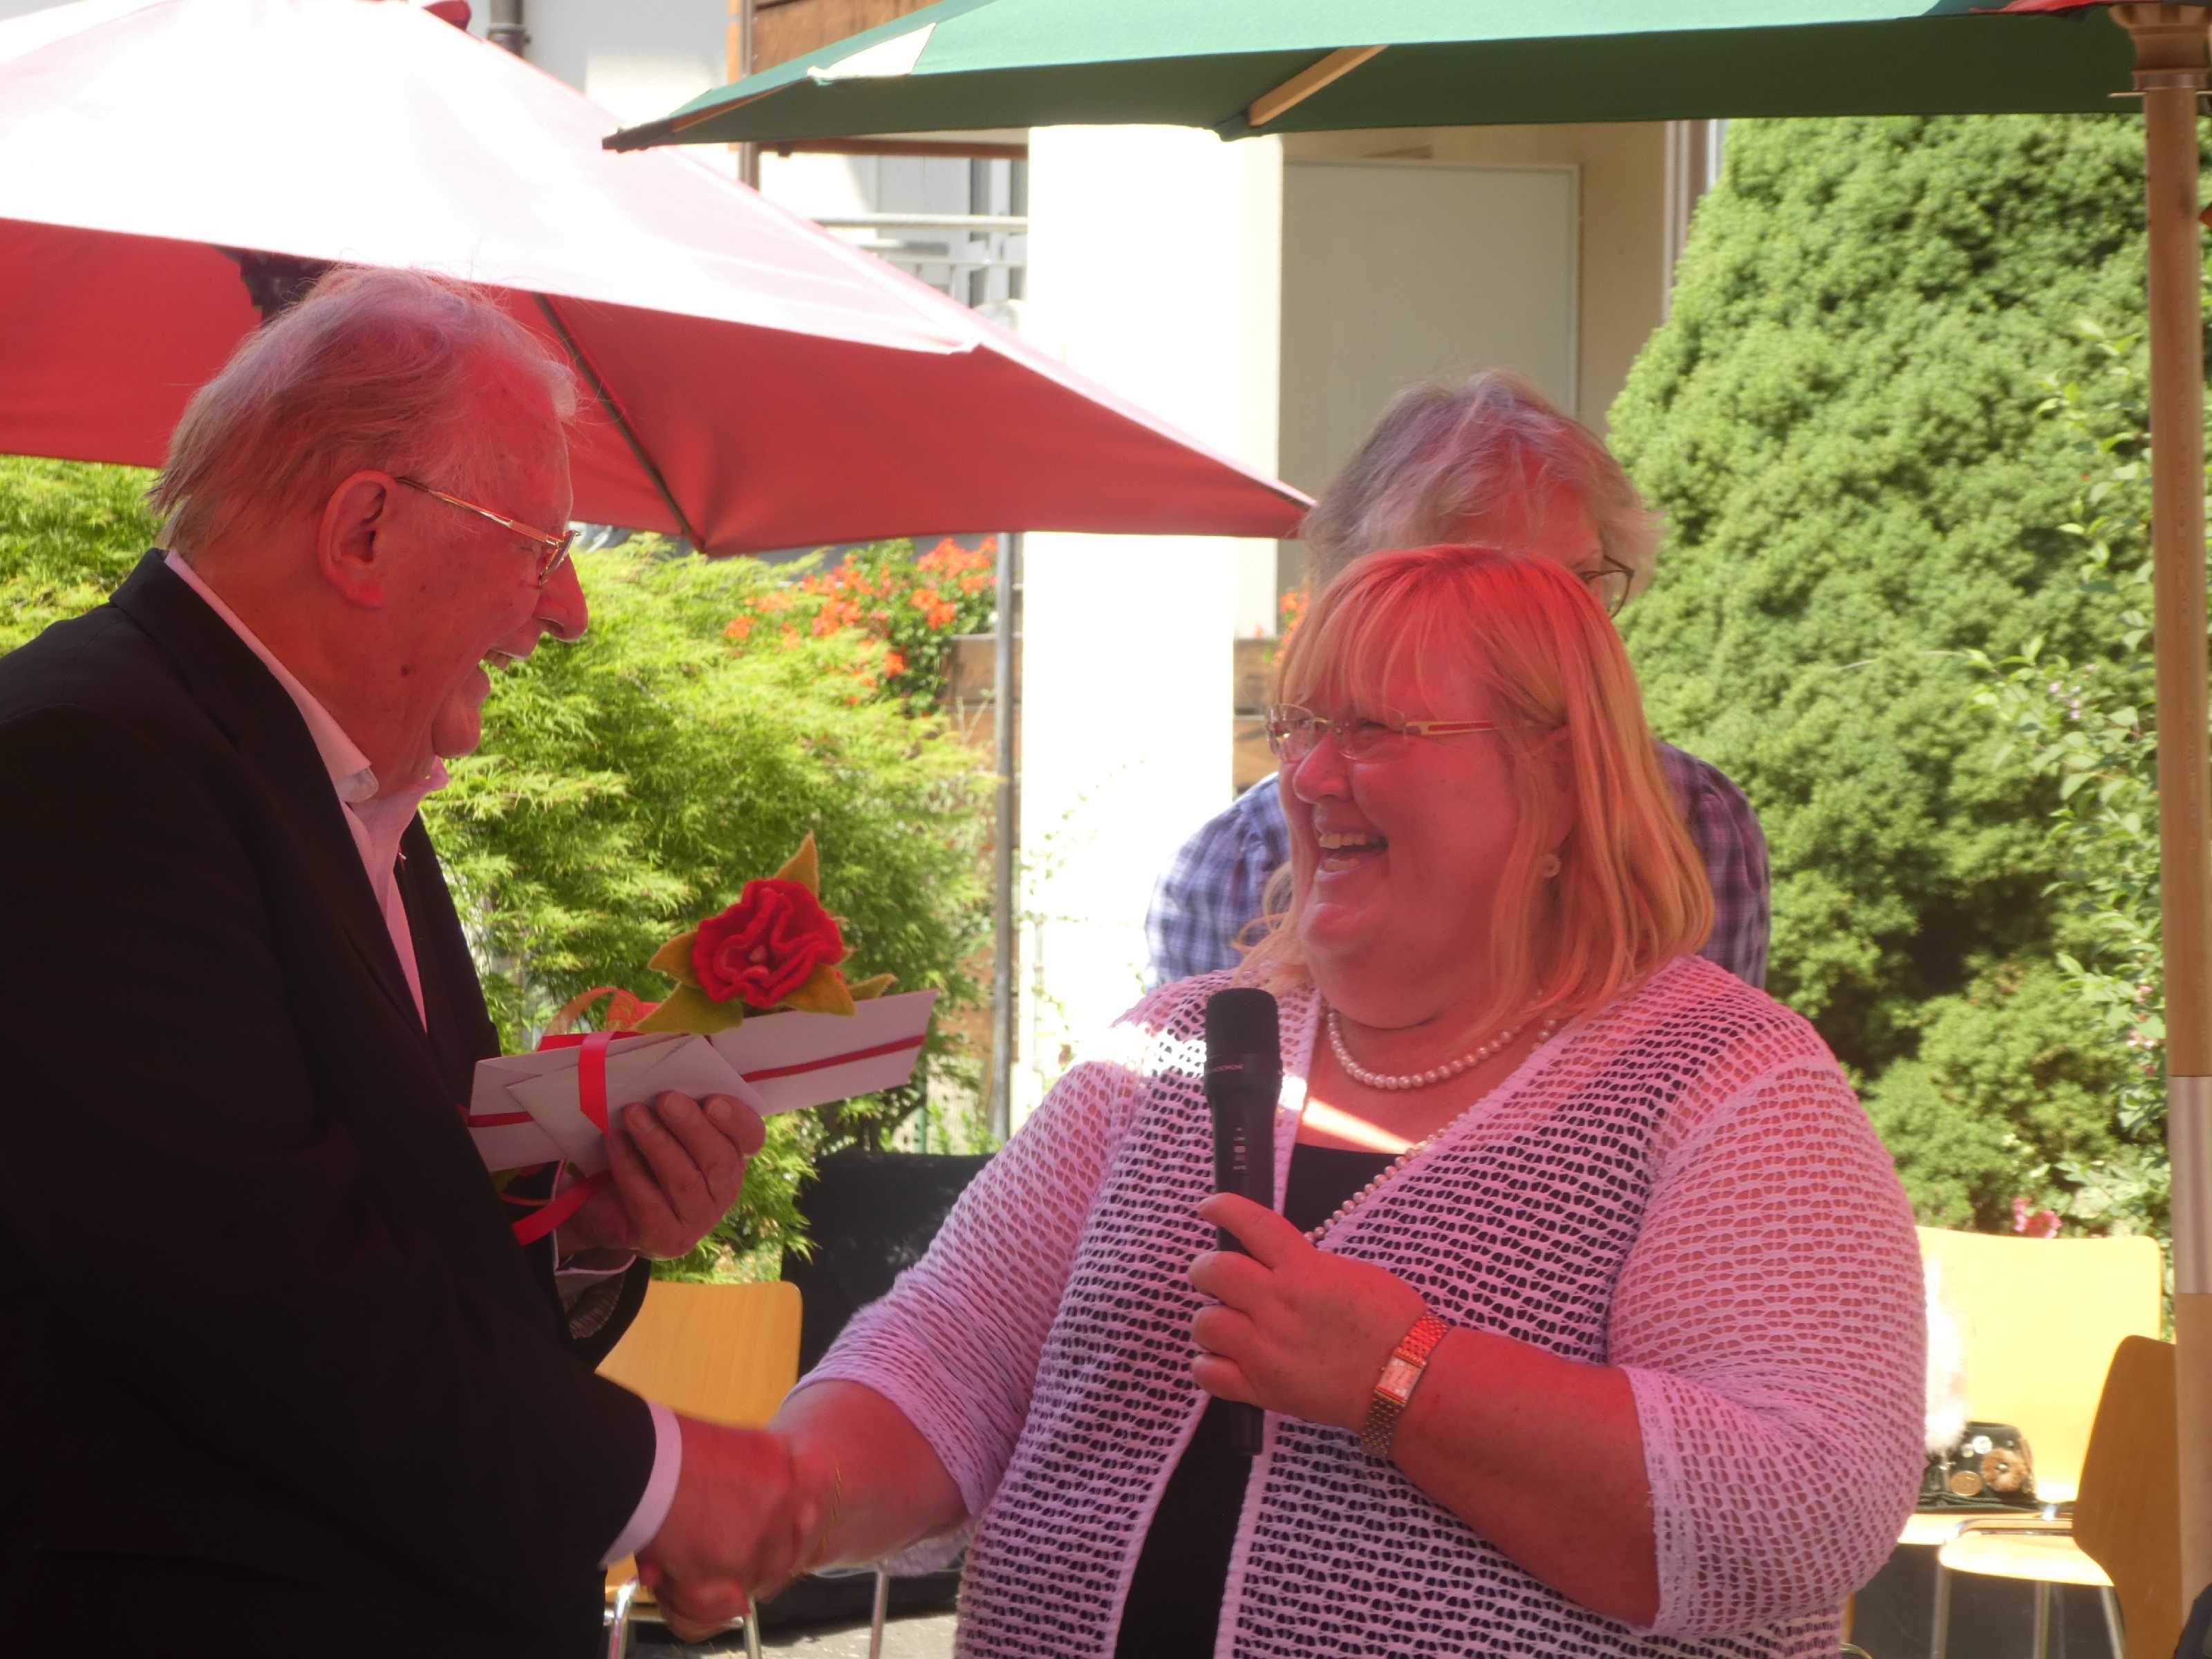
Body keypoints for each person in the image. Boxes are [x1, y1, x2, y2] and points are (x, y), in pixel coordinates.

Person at [747, 545, 1923, 1658]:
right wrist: (777, 1499)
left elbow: (1807, 1507)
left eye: (1373, 729)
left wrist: (1400, 1375)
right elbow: (946, 1359)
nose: (1306, 778)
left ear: (1561, 779)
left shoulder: (1728, 1085)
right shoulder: (1166, 1048)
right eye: (1299, 726)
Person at [0, 270, 803, 1656]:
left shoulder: (336, 782)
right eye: (540, 550)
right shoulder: (84, 765)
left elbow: (379, 1239)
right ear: (365, 529)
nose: (566, 612)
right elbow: (253, 1294)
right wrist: (660, 1478)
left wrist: (581, 1226)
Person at [1147, 370, 1770, 991]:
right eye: (1486, 590)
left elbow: (1712, 1049)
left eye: (1576, 584)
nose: (1556, 631)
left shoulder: (1695, 820)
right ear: (1366, 602)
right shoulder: (1244, 862)